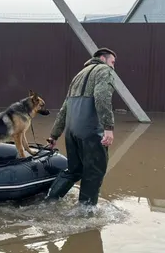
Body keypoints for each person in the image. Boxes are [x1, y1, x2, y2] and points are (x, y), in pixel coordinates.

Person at [44, 47, 117, 206]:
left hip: (72, 132)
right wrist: (108, 127)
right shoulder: (104, 70)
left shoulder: (78, 75)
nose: (113, 66)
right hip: (91, 131)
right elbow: (102, 97)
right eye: (112, 62)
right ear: (103, 59)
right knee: (94, 172)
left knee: (73, 170)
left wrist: (54, 135)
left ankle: (49, 201)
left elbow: (64, 109)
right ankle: (86, 213)